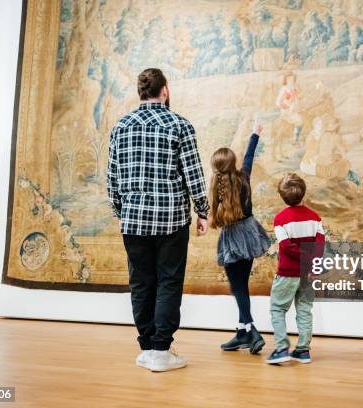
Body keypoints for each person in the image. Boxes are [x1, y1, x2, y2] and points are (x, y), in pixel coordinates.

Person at [107, 68, 209, 372]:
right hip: (171, 221)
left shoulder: (120, 127)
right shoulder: (179, 125)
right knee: (168, 282)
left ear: (141, 92)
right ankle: (162, 350)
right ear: (164, 90)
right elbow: (193, 174)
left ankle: (148, 347)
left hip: (133, 221)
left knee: (141, 283)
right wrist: (202, 210)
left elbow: (112, 179)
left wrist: (121, 212)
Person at [210, 120, 271, 354]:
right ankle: (241, 334)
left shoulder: (217, 187)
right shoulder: (244, 176)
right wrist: (255, 133)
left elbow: (215, 217)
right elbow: (249, 155)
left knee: (238, 289)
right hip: (250, 233)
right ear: (234, 164)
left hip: (232, 240)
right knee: (241, 286)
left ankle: (252, 331)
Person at [267, 173, 325, 365]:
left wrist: (305, 259)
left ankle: (282, 348)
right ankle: (303, 350)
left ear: (282, 196)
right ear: (303, 192)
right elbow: (320, 245)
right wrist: (312, 264)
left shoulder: (280, 219)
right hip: (307, 274)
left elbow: (286, 247)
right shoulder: (315, 218)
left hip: (287, 273)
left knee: (277, 308)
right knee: (305, 310)